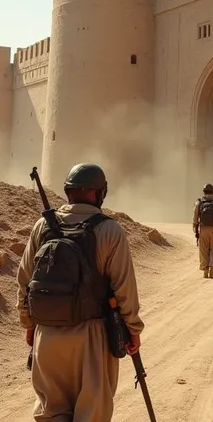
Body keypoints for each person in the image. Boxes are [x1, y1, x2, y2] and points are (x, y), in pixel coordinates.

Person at [16, 163, 144, 422]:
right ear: (100, 193)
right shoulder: (109, 230)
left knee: (51, 413)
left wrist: (29, 324)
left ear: (67, 192)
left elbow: (24, 281)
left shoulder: (42, 225)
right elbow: (124, 290)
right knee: (91, 413)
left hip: (47, 336)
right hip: (91, 336)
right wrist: (133, 330)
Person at [192, 183, 213, 278]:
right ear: (212, 190)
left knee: (203, 250)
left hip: (203, 228)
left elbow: (195, 215)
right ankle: (212, 270)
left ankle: (205, 270)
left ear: (204, 191)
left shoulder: (199, 201)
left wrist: (195, 228)